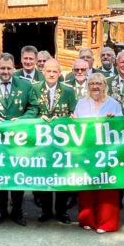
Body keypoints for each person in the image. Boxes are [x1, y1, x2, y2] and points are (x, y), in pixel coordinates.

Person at [0, 52, 39, 225]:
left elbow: (34, 107)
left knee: (17, 175)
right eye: (2, 68)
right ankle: (1, 210)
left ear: (14, 68)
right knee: (0, 175)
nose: (6, 72)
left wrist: (22, 120)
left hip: (19, 139)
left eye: (9, 68)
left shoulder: (25, 85)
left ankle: (17, 210)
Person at [73, 73, 123, 233]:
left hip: (107, 153)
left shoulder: (114, 104)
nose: (95, 86)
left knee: (107, 187)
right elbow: (74, 126)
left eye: (99, 84)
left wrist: (114, 121)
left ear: (104, 86)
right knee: (87, 186)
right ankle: (87, 219)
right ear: (88, 86)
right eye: (92, 83)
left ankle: (106, 223)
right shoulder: (81, 103)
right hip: (86, 152)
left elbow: (122, 127)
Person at [34, 59, 78, 224]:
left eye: (55, 71)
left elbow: (73, 112)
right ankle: (45, 210)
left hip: (62, 141)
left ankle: (62, 211)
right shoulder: (34, 88)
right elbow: (31, 110)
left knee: (61, 176)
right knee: (44, 175)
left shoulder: (68, 90)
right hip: (41, 141)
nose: (52, 74)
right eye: (49, 71)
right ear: (43, 72)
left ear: (59, 73)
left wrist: (72, 118)